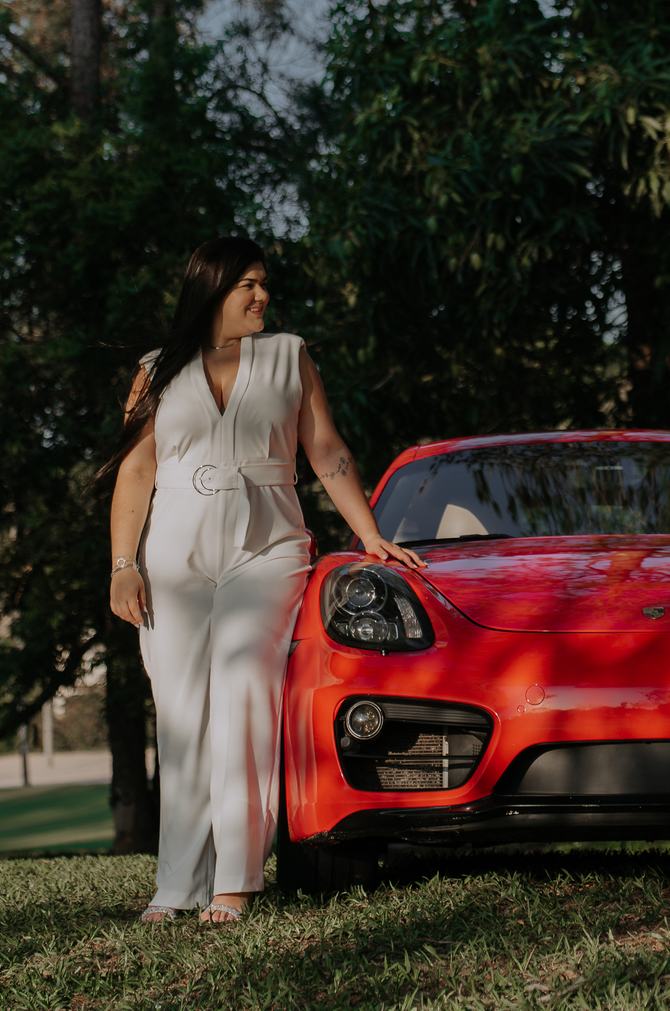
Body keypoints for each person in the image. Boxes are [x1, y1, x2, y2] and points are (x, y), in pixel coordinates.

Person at [104, 236, 425, 924]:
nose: (262, 295)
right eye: (248, 283)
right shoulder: (156, 370)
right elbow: (136, 469)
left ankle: (236, 880)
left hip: (269, 546)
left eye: (263, 282)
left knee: (246, 685)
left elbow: (325, 448)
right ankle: (177, 885)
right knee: (181, 711)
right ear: (213, 287)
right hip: (174, 552)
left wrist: (369, 533)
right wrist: (123, 565)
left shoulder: (288, 354)